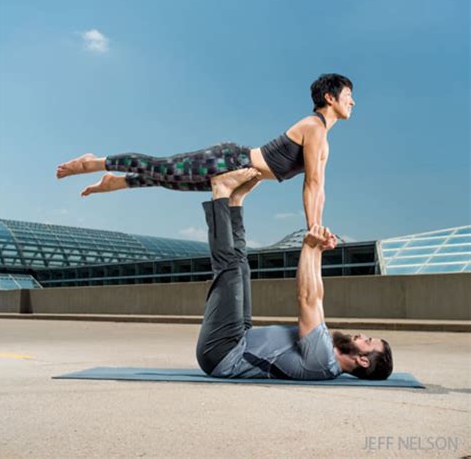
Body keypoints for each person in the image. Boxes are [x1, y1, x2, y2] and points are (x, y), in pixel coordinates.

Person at [56, 73, 355, 230]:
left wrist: (316, 226)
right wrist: (312, 227)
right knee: (161, 167)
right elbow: (312, 184)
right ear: (329, 98)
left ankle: (116, 181)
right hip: (228, 161)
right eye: (348, 96)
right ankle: (94, 162)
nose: (352, 102)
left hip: (236, 176)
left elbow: (320, 189)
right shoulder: (314, 127)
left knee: (170, 180)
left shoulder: (323, 139)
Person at [196, 168, 393, 381]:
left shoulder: (322, 360)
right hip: (241, 337)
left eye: (368, 340)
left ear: (363, 360)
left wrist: (308, 246)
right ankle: (234, 201)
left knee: (230, 269)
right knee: (242, 267)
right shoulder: (327, 350)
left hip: (223, 352)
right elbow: (316, 296)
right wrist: (317, 251)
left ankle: (220, 191)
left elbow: (306, 299)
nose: (361, 336)